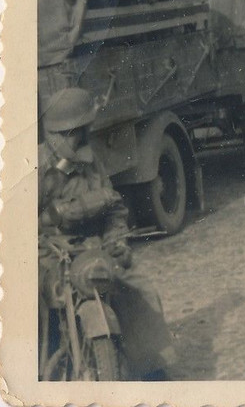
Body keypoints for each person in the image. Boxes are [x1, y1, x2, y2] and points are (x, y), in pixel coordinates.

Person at [38, 87, 174, 379]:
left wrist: (117, 241)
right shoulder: (35, 166)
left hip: (93, 248)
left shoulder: (90, 160)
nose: (78, 139)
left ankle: (151, 368)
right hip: (48, 252)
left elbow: (114, 207)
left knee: (138, 289)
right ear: (58, 133)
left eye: (80, 132)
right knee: (32, 303)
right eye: (73, 133)